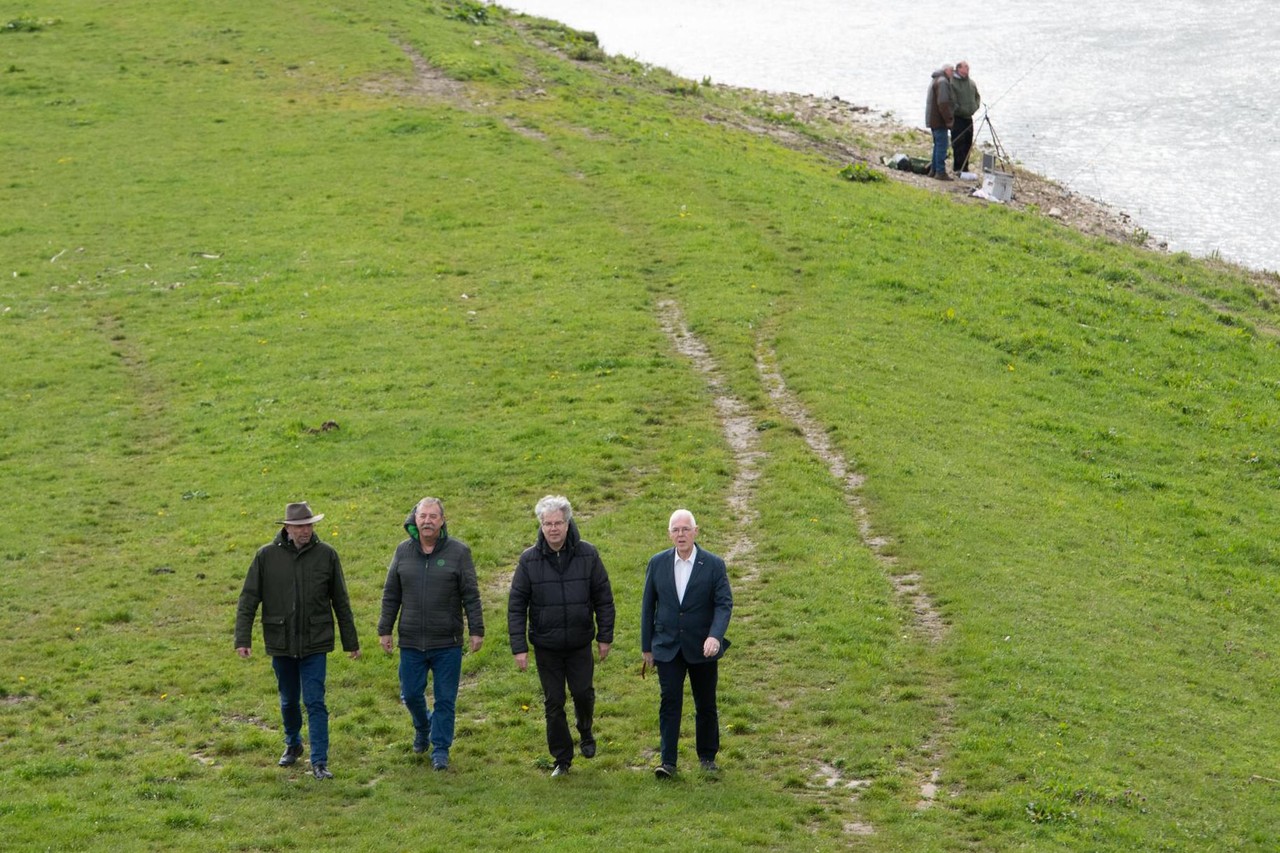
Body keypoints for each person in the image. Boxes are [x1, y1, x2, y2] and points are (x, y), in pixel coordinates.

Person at [234, 501, 360, 781]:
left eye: (309, 525)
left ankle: (319, 761)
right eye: (300, 526)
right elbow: (248, 599)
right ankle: (293, 743)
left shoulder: (327, 555)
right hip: (281, 640)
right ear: (287, 528)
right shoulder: (265, 556)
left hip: (316, 641)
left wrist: (351, 641)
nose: (305, 530)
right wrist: (242, 638)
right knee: (289, 700)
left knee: (315, 701)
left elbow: (341, 600)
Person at [508, 495, 616, 778]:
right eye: (547, 524)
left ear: (568, 524)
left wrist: (605, 636)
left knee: (583, 693)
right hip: (547, 646)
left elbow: (603, 597)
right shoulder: (528, 560)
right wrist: (519, 647)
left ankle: (585, 729)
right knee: (553, 702)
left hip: (580, 643)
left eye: (558, 523)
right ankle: (562, 759)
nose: (553, 528)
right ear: (541, 526)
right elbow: (517, 605)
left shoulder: (588, 555)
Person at [378, 497, 484, 771]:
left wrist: (476, 630)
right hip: (411, 641)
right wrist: (384, 630)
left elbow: (471, 595)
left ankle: (440, 750)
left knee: (445, 700)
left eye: (433, 517)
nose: (427, 521)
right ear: (415, 520)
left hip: (447, 642)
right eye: (422, 516)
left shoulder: (459, 552)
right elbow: (391, 594)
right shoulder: (402, 551)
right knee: (411, 694)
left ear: (442, 521)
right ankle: (422, 726)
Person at [640, 509, 733, 779]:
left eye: (685, 529)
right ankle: (667, 761)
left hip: (702, 646)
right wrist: (647, 647)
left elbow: (723, 603)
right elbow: (648, 606)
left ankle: (707, 757)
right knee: (669, 701)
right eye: (675, 530)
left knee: (705, 703)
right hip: (667, 646)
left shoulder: (713, 565)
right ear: (669, 534)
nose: (680, 534)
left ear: (696, 531)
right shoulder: (657, 563)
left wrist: (715, 635)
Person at [950, 61, 982, 175]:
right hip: (957, 118)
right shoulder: (952, 82)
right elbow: (952, 101)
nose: (967, 70)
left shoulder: (971, 83)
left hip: (969, 118)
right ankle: (958, 168)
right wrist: (959, 110)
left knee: (968, 142)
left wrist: (974, 107)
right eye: (965, 68)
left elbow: (977, 97)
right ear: (959, 69)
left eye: (968, 68)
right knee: (958, 142)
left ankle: (965, 167)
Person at [924, 63, 955, 180]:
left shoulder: (936, 80)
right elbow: (943, 103)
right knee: (942, 146)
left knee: (937, 145)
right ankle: (940, 172)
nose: (953, 73)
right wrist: (949, 120)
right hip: (938, 120)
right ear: (946, 70)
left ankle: (934, 170)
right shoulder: (942, 82)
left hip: (933, 119)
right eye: (952, 71)